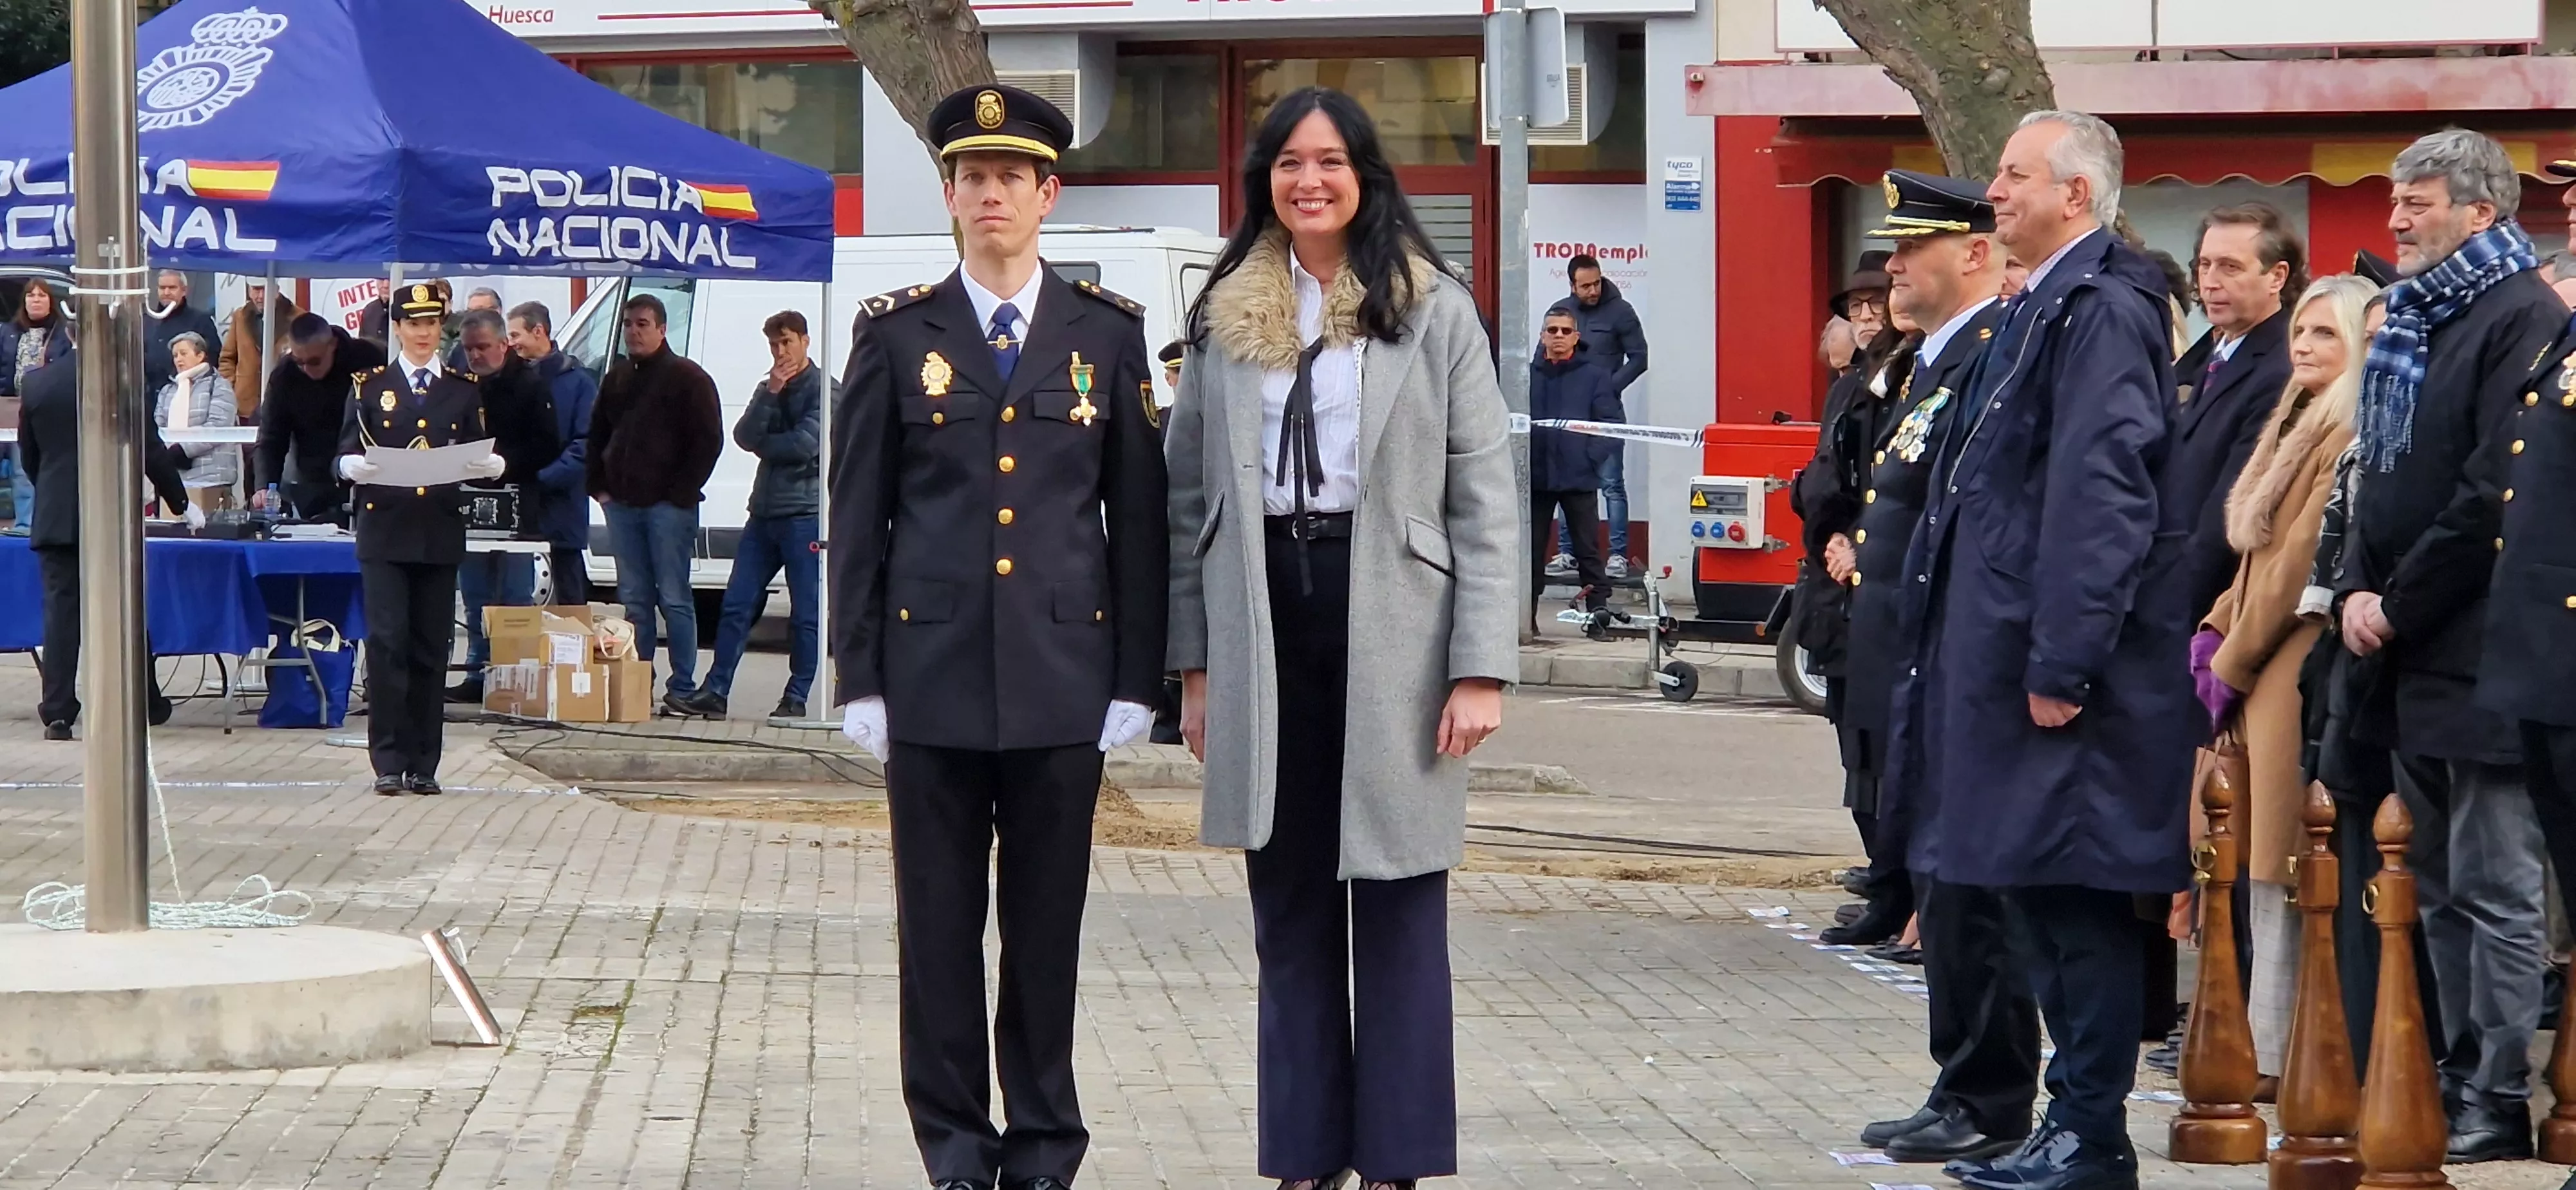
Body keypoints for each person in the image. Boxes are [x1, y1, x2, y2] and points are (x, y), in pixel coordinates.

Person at [1168, 85, 1515, 1190]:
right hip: (1265, 614)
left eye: (1330, 161)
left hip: (1399, 627)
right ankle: (1307, 1152)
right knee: (1291, 903)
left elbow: (1484, 497)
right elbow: (1189, 505)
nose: (1308, 181)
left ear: (1365, 174)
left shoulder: (1434, 306)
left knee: (1402, 897)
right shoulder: (1225, 315)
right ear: (1263, 179)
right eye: (1287, 163)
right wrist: (1194, 669)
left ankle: (1399, 1157)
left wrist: (1480, 666)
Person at [829, 84, 1163, 1190]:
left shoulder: (1104, 334)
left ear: (1047, 194)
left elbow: (1138, 520)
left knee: (1044, 930)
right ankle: (958, 1148)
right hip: (929, 678)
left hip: (1064, 677)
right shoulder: (894, 334)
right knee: (937, 931)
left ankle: (1045, 1144)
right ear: (949, 195)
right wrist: (858, 672)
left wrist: (1136, 674)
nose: (989, 197)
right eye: (970, 178)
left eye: (1010, 178)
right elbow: (859, 513)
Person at [1890, 111, 2196, 1190]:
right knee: (2026, 889)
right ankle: (2066, 1124)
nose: (1997, 192)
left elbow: (2101, 495)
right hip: (2001, 658)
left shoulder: (2102, 308)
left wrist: (2063, 661)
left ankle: (2091, 1130)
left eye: (2016, 175)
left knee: (2072, 897)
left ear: (2077, 194)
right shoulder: (2043, 304)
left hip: (2061, 675)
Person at [2338, 128, 2564, 1164]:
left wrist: (2398, 601)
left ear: (2482, 213)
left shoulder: (2520, 316)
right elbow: (2375, 477)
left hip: (2479, 648)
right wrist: (2352, 584)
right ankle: (2442, 1059)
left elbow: (2490, 493)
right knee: (2426, 880)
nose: (2395, 220)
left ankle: (2493, 1089)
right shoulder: (2425, 315)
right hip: (2407, 649)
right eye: (2394, 200)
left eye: (2418, 203)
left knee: (2493, 884)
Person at [1833, 171, 2032, 1169]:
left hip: (1952, 660)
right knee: (1937, 880)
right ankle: (1960, 1080)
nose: (1894, 266)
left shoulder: (1989, 355)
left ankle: (1990, 1094)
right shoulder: (1931, 361)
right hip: (1910, 658)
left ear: (1979, 255)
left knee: (1970, 893)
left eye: (1914, 250)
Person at [2193, 273, 2376, 1094]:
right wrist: (2215, 625)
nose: (2303, 347)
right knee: (2255, 868)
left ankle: (2280, 1054)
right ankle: (2258, 1043)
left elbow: (2298, 562)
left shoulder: (2344, 429)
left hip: (2290, 661)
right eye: (2299, 333)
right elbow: (2252, 557)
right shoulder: (2295, 418)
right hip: (2258, 656)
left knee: (2284, 869)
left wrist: (2230, 658)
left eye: (2324, 335)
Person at [337, 283, 506, 796]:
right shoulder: (369, 385)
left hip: (437, 530)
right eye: (414, 324)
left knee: (432, 647)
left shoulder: (462, 387)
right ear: (398, 328)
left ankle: (424, 762)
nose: (423, 334)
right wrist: (349, 466)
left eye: (431, 324)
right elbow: (342, 448)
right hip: (385, 530)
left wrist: (491, 465)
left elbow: (476, 447)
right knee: (388, 644)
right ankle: (388, 758)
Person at [1799, 247, 1913, 949]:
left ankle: (1899, 895)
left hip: (1871, 581)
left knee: (1888, 756)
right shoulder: (1853, 383)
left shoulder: (1907, 376)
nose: (1868, 317)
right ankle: (1882, 883)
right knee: (1857, 754)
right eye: (1859, 307)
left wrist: (1856, 542)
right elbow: (1827, 474)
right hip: (1834, 586)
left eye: (1879, 303)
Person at [21, 348, 194, 737]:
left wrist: (52, 492)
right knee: (127, 612)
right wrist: (180, 503)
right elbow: (150, 448)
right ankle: (144, 700)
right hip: (110, 515)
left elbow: (31, 456)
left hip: (56, 514)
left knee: (61, 618)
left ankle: (59, 712)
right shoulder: (125, 381)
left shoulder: (37, 383)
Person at [587, 293, 723, 715]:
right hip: (623, 506)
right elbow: (595, 437)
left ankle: (682, 686)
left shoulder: (689, 378)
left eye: (642, 324)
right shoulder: (617, 378)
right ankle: (635, 681)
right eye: (628, 323)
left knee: (675, 597)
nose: (633, 331)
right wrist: (600, 489)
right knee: (635, 599)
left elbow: (708, 442)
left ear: (663, 329)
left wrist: (680, 493)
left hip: (670, 509)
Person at [687, 310, 823, 721]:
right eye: (774, 345)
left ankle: (796, 697)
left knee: (805, 612)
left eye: (788, 342)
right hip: (763, 514)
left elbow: (805, 445)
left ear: (805, 341)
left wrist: (765, 443)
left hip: (805, 515)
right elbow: (744, 435)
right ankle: (716, 691)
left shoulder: (824, 390)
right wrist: (771, 393)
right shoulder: (769, 387)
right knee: (737, 603)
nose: (781, 352)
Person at [2174, 203, 2304, 625]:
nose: (2211, 282)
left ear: (2277, 277)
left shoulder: (2282, 369)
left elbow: (2226, 517)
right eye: (2205, 265)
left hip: (2205, 613)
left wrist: (2165, 615)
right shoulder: (2213, 354)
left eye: (2231, 267)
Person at [447, 307, 560, 703]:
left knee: (512, 595)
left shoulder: (529, 385)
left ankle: (513, 674)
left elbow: (549, 444)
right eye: (468, 349)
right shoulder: (462, 384)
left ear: (503, 344)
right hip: (469, 499)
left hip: (517, 503)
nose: (474, 356)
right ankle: (478, 669)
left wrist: (505, 463)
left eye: (482, 348)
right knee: (475, 593)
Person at [1546, 253, 1647, 577]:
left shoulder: (1622, 312)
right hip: (1569, 415)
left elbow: (1640, 358)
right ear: (1572, 285)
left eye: (1597, 283)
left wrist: (1609, 388)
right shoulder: (1562, 313)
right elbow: (1544, 357)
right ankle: (1566, 553)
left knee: (1612, 484)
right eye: (1585, 285)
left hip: (1605, 415)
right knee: (1565, 484)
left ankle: (1617, 555)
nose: (1593, 290)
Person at [1530, 307, 1620, 621]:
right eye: (1552, 330)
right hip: (1536, 480)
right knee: (1530, 552)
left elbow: (1612, 426)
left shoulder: (1595, 376)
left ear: (1576, 337)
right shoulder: (1524, 376)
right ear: (1542, 336)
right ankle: (1524, 618)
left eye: (1565, 331)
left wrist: (1589, 457)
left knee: (1589, 552)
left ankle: (1599, 614)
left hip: (1579, 478)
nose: (1558, 336)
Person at [509, 301, 598, 606]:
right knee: (516, 603)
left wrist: (541, 480)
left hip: (562, 509)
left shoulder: (579, 383)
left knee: (570, 604)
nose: (512, 343)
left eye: (516, 335)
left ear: (538, 331)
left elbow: (586, 445)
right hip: (518, 510)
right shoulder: (510, 381)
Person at [255, 314, 385, 522]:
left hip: (368, 475)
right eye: (299, 362)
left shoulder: (370, 357)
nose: (306, 369)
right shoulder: (285, 375)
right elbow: (271, 437)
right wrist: (264, 485)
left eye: (314, 361)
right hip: (313, 478)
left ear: (332, 345)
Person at [3, 279, 72, 527]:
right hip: (8, 409)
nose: (35, 299)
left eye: (42, 295)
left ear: (51, 301)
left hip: (44, 409)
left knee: (25, 469)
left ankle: (28, 524)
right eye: (31, 295)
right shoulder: (8, 332)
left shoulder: (63, 334)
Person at [154, 332, 241, 513]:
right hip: (175, 479)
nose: (178, 360)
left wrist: (183, 450)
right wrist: (165, 454)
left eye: (184, 354)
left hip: (211, 479)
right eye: (175, 355)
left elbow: (218, 427)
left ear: (200, 355)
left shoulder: (218, 386)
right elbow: (157, 427)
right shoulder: (168, 391)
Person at [217, 279, 298, 420]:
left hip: (284, 401)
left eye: (265, 290)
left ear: (277, 290)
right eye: (256, 290)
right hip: (246, 404)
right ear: (249, 291)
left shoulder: (297, 317)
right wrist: (231, 389)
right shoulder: (240, 316)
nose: (260, 296)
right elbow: (228, 358)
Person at [146, 269, 220, 399]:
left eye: (172, 288)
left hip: (187, 396)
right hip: (149, 399)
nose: (167, 292)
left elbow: (213, 358)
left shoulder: (201, 321)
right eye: (162, 288)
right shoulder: (147, 320)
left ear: (184, 291)